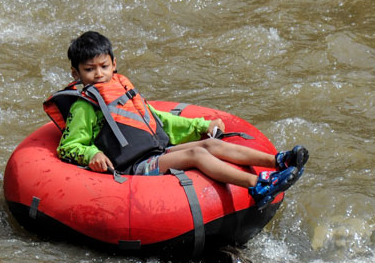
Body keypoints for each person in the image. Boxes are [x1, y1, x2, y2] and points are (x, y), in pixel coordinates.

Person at [43, 31, 309, 208]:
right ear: (76, 73)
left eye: (104, 66)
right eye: (89, 70)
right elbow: (68, 146)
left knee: (210, 145)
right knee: (196, 153)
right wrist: (91, 155)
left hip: (157, 150)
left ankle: (277, 161)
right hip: (134, 166)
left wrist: (202, 126)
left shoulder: (122, 90)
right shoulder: (84, 107)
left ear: (114, 63)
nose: (98, 75)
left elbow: (158, 121)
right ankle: (258, 186)